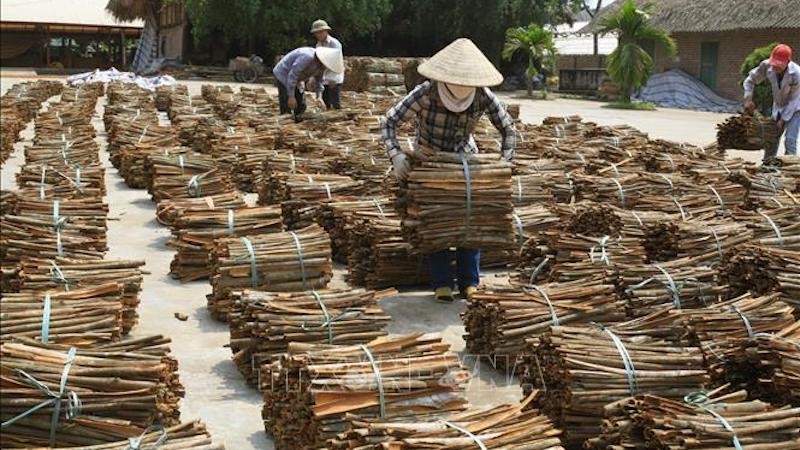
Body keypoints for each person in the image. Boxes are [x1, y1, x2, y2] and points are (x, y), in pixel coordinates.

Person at [380, 38, 516, 302]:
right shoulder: (426, 93)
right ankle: (442, 281)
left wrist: (506, 162)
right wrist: (396, 155)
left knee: (469, 220)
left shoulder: (482, 95)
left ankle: (469, 282)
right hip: (430, 163)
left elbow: (508, 128)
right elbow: (389, 122)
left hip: (465, 161)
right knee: (435, 220)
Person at [743, 43, 800, 160]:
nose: (775, 68)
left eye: (779, 66)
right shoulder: (766, 65)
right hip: (778, 105)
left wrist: (783, 120)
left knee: (790, 139)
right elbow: (750, 80)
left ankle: (790, 168)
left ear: (788, 62)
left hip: (796, 108)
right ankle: (767, 165)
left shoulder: (797, 74)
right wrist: (748, 98)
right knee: (772, 136)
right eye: (774, 64)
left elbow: (794, 100)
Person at [273, 46, 343, 118]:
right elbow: (292, 75)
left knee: (301, 105)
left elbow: (319, 82)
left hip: (298, 78)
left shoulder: (321, 67)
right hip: (284, 73)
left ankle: (298, 120)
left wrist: (319, 97)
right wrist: (291, 96)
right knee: (287, 104)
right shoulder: (307, 57)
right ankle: (285, 120)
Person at [311, 19, 345, 110]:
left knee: (335, 103)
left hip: (334, 77)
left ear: (326, 31)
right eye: (317, 33)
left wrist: (333, 78)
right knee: (325, 103)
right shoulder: (318, 45)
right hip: (324, 77)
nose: (319, 35)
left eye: (321, 32)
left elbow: (336, 62)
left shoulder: (334, 44)